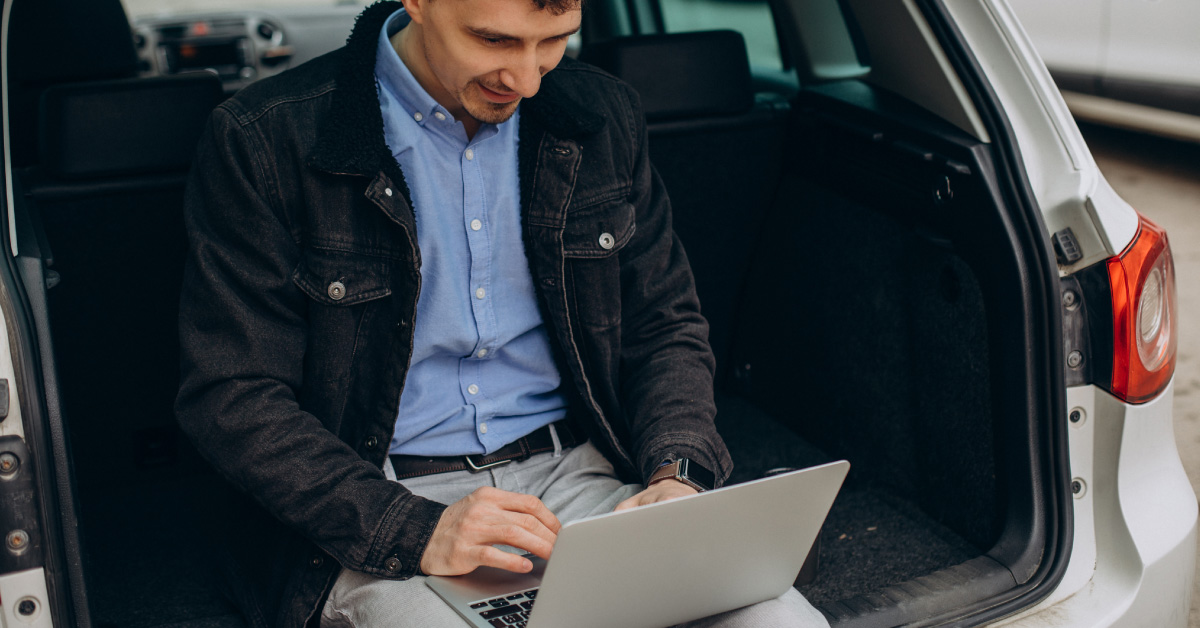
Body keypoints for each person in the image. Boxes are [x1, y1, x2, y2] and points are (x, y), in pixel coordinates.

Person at [176, 0, 828, 626]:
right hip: (375, 504)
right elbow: (233, 397)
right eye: (494, 40)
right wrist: (414, 530)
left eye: (554, 40)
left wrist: (677, 477)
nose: (526, 80)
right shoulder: (265, 140)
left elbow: (664, 327)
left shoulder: (602, 114)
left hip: (581, 478)